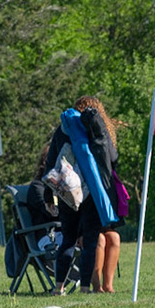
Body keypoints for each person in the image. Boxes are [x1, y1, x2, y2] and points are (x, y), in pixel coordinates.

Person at [37, 97, 126, 292]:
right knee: (91, 241)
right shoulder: (97, 127)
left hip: (68, 192)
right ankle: (86, 287)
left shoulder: (64, 129)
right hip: (93, 192)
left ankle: (58, 287)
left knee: (68, 240)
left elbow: (51, 162)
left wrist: (47, 195)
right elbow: (112, 158)